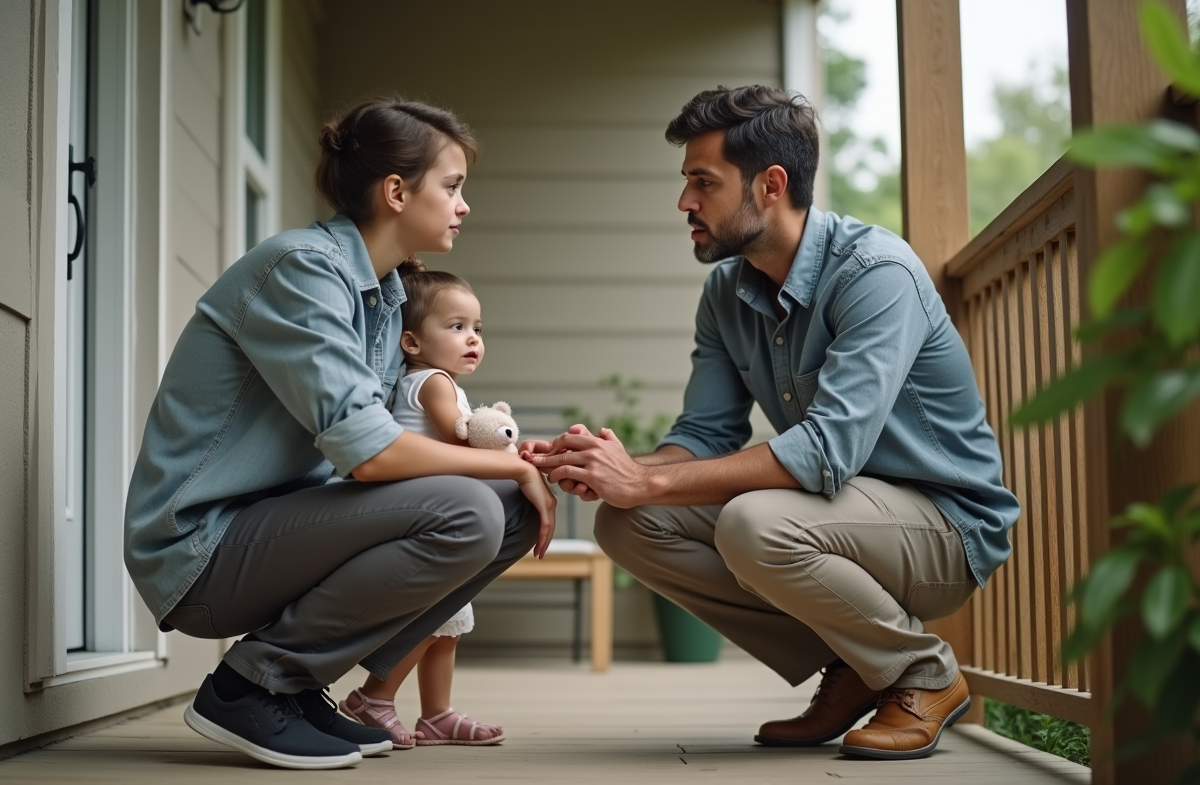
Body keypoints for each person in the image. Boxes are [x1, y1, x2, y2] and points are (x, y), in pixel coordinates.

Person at [524, 85, 1020, 761]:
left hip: (943, 527)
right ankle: (853, 665)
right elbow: (702, 435)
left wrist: (648, 482)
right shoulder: (727, 293)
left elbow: (825, 452)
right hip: (833, 516)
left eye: (703, 182)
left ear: (770, 185)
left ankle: (921, 672)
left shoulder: (875, 273)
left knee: (753, 521)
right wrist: (617, 471)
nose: (685, 203)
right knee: (627, 521)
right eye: (686, 183)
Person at [123, 98, 555, 771]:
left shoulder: (381, 298)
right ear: (395, 191)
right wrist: (507, 469)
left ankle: (294, 687)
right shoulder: (301, 271)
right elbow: (373, 455)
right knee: (472, 506)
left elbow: (387, 442)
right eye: (452, 186)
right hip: (199, 550)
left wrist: (511, 462)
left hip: (278, 529)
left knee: (509, 513)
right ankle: (249, 685)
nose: (464, 205)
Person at [338, 261, 507, 748]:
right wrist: (511, 452)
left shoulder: (438, 381)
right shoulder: (433, 383)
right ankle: (375, 697)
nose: (473, 338)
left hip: (441, 515)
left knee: (449, 625)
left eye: (477, 328)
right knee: (434, 620)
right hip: (430, 520)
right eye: (456, 327)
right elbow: (460, 443)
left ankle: (437, 714)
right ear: (411, 342)